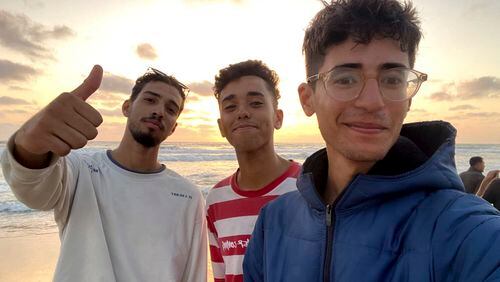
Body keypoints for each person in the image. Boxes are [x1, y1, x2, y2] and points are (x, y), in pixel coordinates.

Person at [243, 0, 500, 281]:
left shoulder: (462, 230)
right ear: (308, 98)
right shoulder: (273, 225)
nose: (372, 102)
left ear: (409, 97)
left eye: (392, 79)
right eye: (346, 79)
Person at [1, 66, 207, 281]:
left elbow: (193, 275)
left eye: (171, 109)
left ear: (174, 127)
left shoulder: (188, 196)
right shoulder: (80, 170)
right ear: (127, 107)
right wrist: (30, 145)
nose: (159, 111)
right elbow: (33, 190)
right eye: (150, 100)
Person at [206, 60, 300, 282]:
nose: (242, 113)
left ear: (278, 117)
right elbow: (222, 276)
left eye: (255, 103)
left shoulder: (310, 187)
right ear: (221, 126)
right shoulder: (215, 200)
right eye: (230, 107)